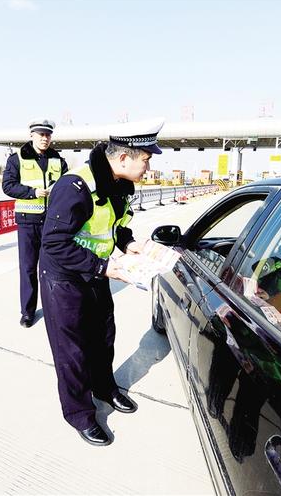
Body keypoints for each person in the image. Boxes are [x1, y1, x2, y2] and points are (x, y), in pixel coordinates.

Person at [39, 118, 164, 446]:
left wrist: (129, 243)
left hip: (97, 273)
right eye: (146, 160)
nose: (149, 167)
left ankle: (105, 389)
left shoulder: (119, 185)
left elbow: (115, 226)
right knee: (72, 349)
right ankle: (79, 413)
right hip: (65, 279)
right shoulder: (75, 187)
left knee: (103, 337)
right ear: (123, 158)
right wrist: (103, 265)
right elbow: (54, 243)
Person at [2, 119, 68, 328]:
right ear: (31, 135)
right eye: (41, 134)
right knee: (28, 268)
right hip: (28, 223)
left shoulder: (58, 160)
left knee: (53, 269)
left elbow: (68, 187)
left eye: (48, 135)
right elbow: (8, 186)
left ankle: (53, 309)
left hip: (52, 223)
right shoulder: (17, 159)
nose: (44, 138)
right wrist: (33, 193)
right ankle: (27, 312)